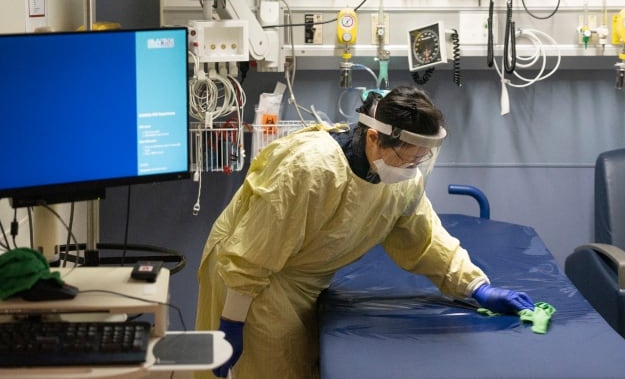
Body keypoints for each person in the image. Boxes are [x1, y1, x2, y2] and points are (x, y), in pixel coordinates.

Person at [195, 85, 534, 379]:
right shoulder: (309, 169)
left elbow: (426, 239)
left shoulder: (398, 178)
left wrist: (477, 286)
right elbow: (252, 254)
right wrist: (233, 320)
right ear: (374, 137)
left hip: (302, 281)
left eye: (421, 160)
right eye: (409, 159)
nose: (413, 168)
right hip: (256, 282)